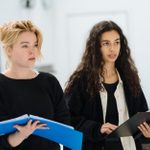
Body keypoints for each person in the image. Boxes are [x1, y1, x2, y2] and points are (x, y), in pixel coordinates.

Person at [64, 20, 150, 150]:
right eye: (106, 44)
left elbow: (141, 116)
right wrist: (97, 128)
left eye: (116, 42)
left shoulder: (129, 78)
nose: (112, 48)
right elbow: (67, 118)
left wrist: (146, 133)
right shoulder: (81, 80)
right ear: (96, 47)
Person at [0, 20, 70, 150]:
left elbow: (65, 129)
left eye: (35, 45)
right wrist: (20, 135)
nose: (33, 51)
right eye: (25, 46)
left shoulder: (49, 81)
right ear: (9, 50)